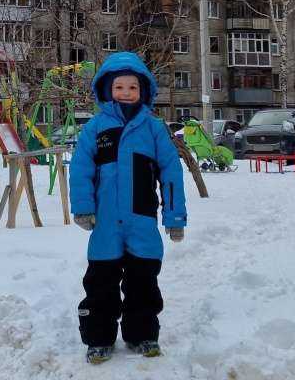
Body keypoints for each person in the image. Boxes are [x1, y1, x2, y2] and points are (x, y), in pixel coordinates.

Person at [69, 51, 188, 365]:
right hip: (106, 222)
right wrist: (82, 207)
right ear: (107, 89)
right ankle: (98, 338)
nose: (125, 93)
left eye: (132, 88)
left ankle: (142, 333)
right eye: (119, 87)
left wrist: (174, 216)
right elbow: (80, 169)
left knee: (143, 282)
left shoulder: (152, 128)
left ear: (143, 91)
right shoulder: (96, 128)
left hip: (141, 220)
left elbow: (171, 173)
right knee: (100, 284)